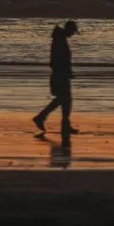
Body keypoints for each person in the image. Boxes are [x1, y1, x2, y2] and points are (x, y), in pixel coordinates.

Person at [33, 18, 79, 146]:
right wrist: (65, 71)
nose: (73, 34)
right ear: (68, 29)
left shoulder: (60, 39)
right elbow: (58, 60)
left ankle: (62, 124)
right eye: (73, 32)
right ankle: (42, 117)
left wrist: (67, 71)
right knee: (63, 99)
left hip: (61, 74)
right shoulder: (59, 41)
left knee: (64, 100)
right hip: (60, 75)